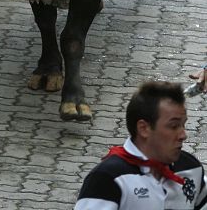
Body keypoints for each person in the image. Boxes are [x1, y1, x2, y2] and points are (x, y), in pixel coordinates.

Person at [74, 81, 207, 209]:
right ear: (144, 128)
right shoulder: (108, 177)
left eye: (183, 125)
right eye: (174, 126)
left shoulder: (191, 168)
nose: (183, 135)